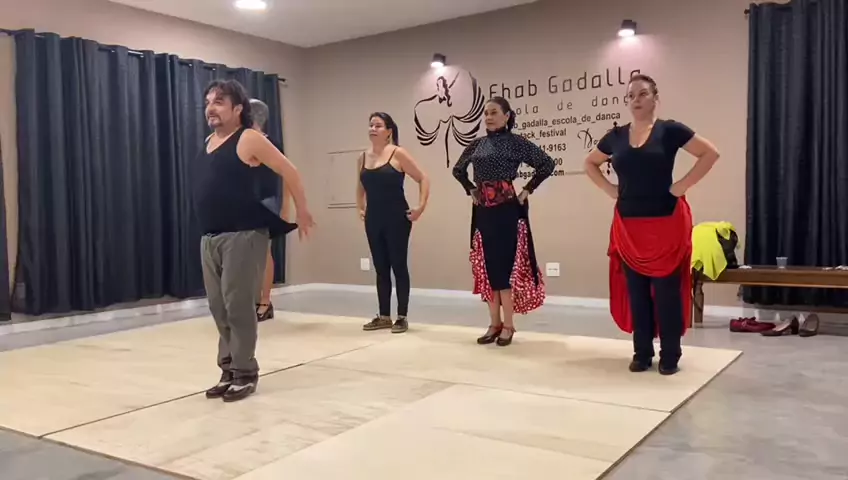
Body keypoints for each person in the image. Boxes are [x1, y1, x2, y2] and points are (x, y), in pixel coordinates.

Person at [583, 74, 719, 375]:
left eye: (643, 94)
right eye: (631, 95)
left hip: (665, 223)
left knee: (667, 293)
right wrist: (609, 189)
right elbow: (589, 163)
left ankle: (670, 353)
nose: (636, 100)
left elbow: (710, 153)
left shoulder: (670, 130)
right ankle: (642, 352)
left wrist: (682, 185)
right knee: (637, 292)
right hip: (629, 226)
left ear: (655, 97)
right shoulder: (616, 136)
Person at [194, 79, 314, 402]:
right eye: (208, 102)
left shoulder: (248, 138)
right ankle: (229, 369)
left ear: (238, 109)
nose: (210, 108)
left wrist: (302, 211)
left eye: (219, 102)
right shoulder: (209, 141)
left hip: (244, 235)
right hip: (211, 237)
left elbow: (290, 171)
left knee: (237, 307)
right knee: (219, 308)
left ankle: (245, 372)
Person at [452, 96, 554, 347]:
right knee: (487, 267)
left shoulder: (516, 143)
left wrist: (527, 190)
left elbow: (546, 164)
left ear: (507, 116)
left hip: (507, 212)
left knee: (506, 267)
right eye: (486, 113)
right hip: (483, 212)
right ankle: (493, 323)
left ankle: (508, 324)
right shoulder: (477, 144)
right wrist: (470, 189)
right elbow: (458, 170)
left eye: (494, 112)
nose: (488, 117)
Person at [357, 112, 430, 334]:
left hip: (397, 217)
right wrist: (360, 207)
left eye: (378, 125)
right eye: (371, 125)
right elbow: (360, 186)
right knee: (381, 267)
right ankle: (384, 316)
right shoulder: (362, 157)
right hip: (373, 218)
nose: (373, 129)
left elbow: (423, 178)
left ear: (389, 131)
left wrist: (420, 207)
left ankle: (402, 316)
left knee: (398, 265)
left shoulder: (398, 153)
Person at [248, 98, 292, 322]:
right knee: (244, 253)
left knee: (264, 252)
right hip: (243, 202)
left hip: (265, 201)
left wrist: (285, 206)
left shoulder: (269, 143)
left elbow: (287, 174)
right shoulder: (241, 142)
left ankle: (265, 302)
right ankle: (250, 299)